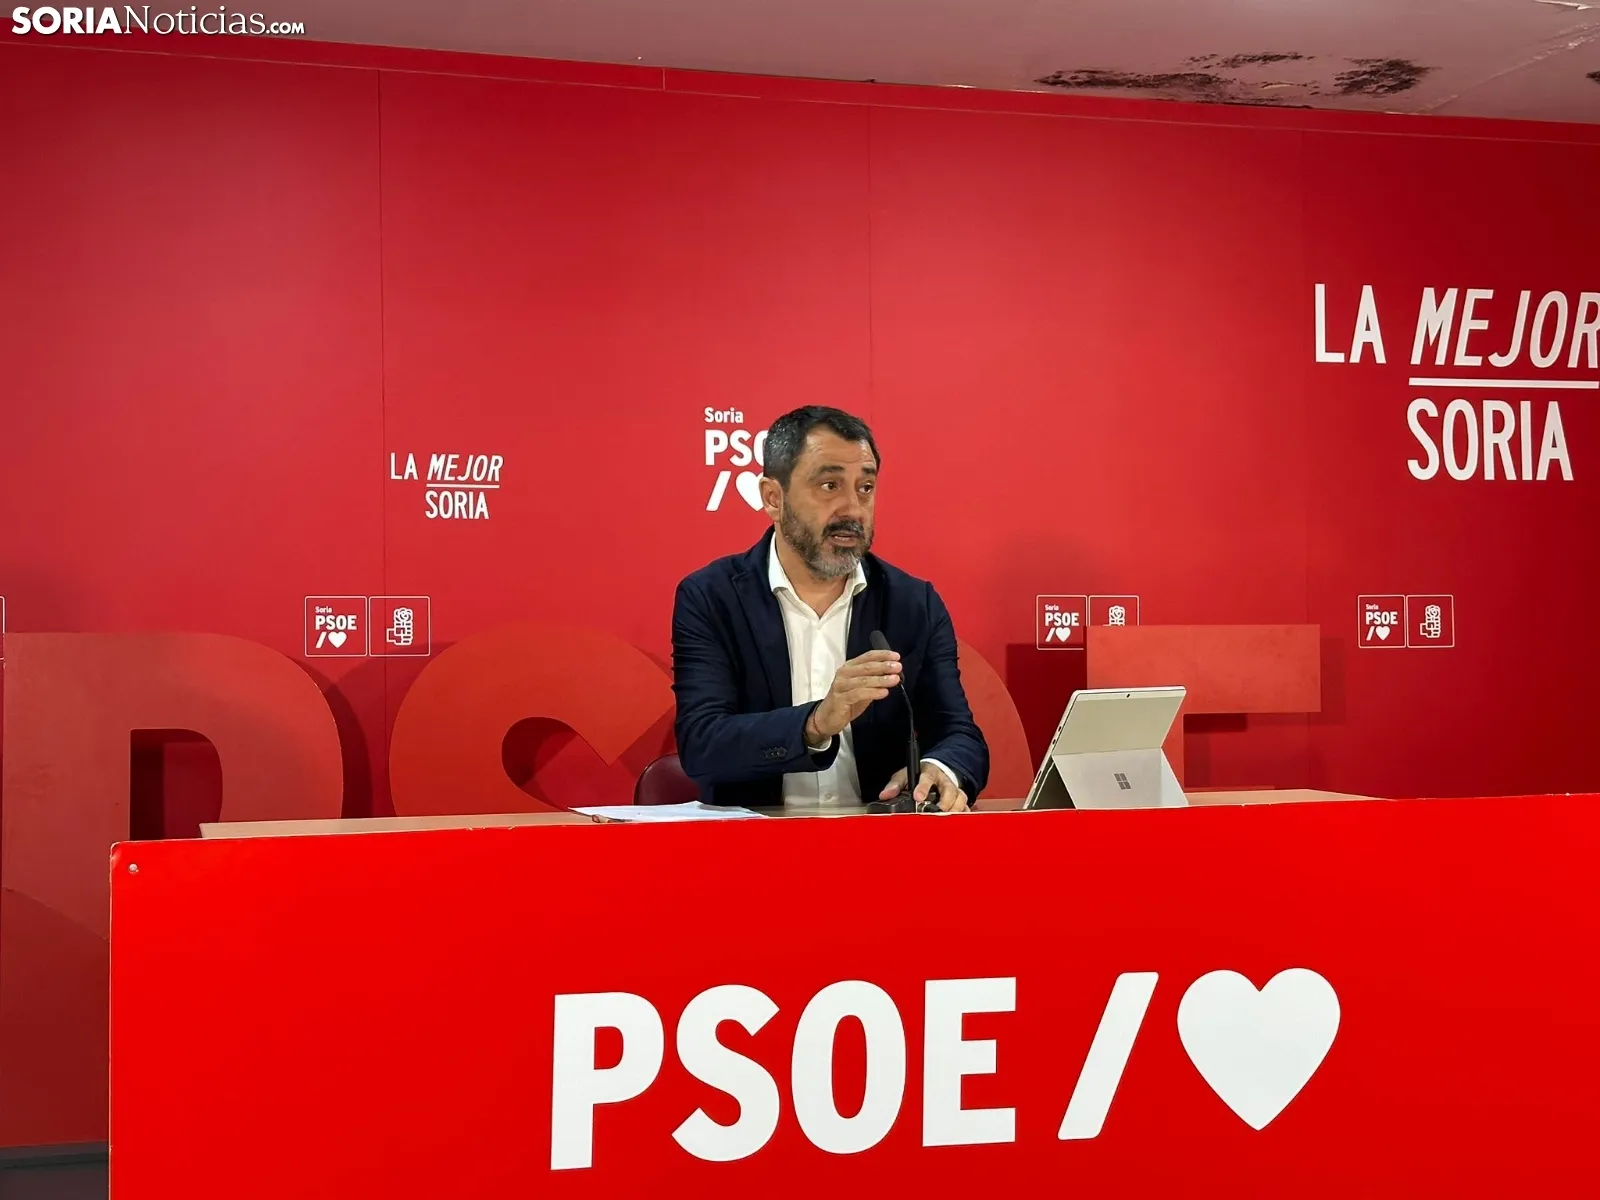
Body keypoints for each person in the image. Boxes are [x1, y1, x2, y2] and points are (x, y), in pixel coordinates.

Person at [671, 406, 989, 812]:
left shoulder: (913, 604)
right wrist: (816, 724)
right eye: (829, 485)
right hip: (754, 841)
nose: (853, 508)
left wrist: (940, 768)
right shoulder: (711, 597)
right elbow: (702, 743)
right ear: (773, 498)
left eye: (865, 487)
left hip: (883, 840)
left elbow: (959, 733)